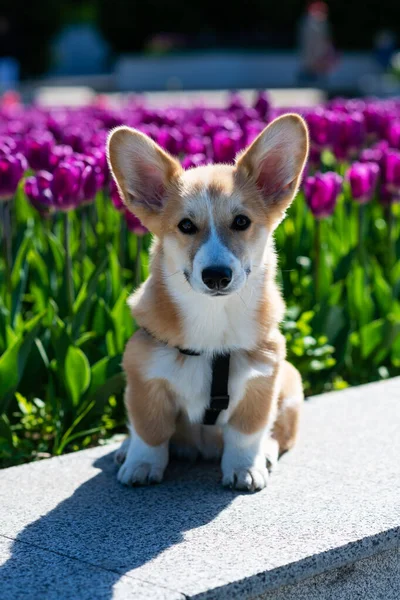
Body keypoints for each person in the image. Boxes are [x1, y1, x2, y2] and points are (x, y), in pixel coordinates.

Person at [297, 1, 336, 86]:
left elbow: (326, 41)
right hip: (312, 61)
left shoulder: (322, 23)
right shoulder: (309, 23)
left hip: (319, 61)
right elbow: (309, 43)